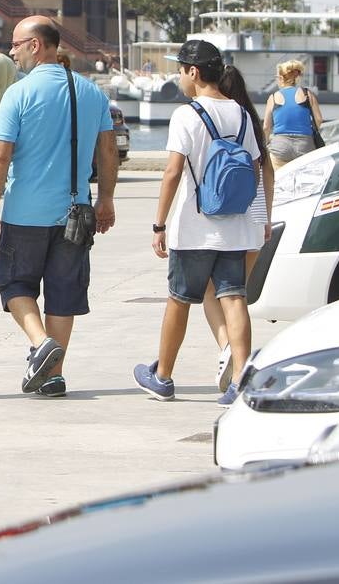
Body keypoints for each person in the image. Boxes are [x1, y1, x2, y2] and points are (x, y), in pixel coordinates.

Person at [0, 17, 118, 398]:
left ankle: (40, 344)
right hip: (75, 213)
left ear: (36, 46)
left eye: (16, 44)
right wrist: (105, 199)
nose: (12, 51)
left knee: (13, 283)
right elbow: (107, 151)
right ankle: (53, 375)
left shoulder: (18, 94)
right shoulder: (91, 92)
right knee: (63, 293)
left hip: (25, 212)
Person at [135, 39, 263, 406]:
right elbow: (253, 168)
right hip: (234, 226)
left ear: (193, 72)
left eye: (180, 68)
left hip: (193, 227)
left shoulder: (186, 115)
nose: (179, 75)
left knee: (179, 300)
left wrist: (159, 224)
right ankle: (240, 378)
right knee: (234, 298)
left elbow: (173, 172)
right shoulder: (240, 112)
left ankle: (162, 377)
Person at [204, 66, 274, 392]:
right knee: (237, 295)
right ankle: (235, 351)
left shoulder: (221, 121)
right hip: (256, 218)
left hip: (230, 218)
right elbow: (267, 172)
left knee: (209, 291)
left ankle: (227, 347)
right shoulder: (251, 122)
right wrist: (268, 217)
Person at [263, 60, 322, 169]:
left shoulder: (273, 97)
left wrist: (265, 144)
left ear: (281, 78)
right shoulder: (307, 94)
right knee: (305, 181)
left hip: (280, 146)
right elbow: (318, 119)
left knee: (278, 182)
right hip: (305, 145)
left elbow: (266, 127)